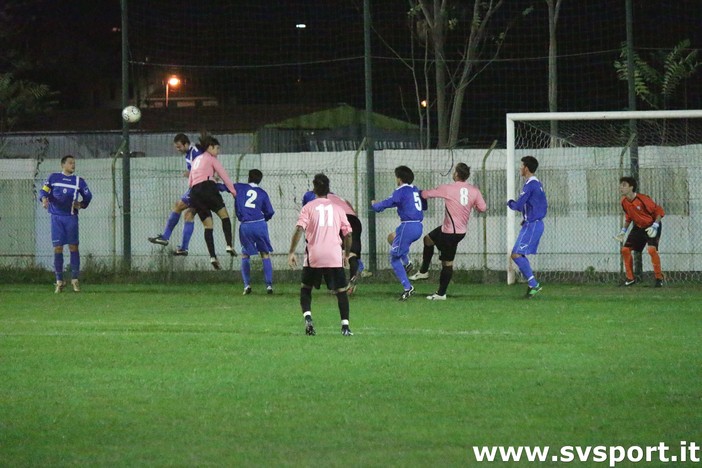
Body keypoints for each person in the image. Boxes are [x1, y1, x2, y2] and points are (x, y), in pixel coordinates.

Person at [409, 163, 487, 300]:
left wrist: (416, 192)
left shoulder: (448, 188)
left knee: (447, 263)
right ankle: (423, 271)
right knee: (428, 239)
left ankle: (441, 294)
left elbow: (426, 194)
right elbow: (483, 208)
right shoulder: (474, 191)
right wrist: (471, 204)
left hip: (450, 233)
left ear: (456, 174)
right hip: (456, 230)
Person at [288, 173, 353, 336]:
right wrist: (346, 254)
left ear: (314, 188)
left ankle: (308, 319)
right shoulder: (338, 208)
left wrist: (291, 252)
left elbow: (299, 229)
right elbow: (348, 234)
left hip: (314, 256)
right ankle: (345, 327)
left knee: (306, 289)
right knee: (341, 291)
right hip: (334, 255)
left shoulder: (308, 207)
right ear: (328, 189)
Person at [39, 155, 93, 293]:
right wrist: (44, 199)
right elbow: (43, 191)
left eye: (74, 163)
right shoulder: (53, 178)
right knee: (58, 248)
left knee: (73, 247)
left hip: (70, 217)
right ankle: (59, 281)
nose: (73, 165)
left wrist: (81, 204)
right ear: (63, 165)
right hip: (56, 218)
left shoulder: (78, 181)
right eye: (70, 163)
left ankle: (75, 280)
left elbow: (88, 196)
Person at [371, 165, 426, 301]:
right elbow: (423, 205)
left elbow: (388, 203)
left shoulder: (401, 190)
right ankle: (407, 263)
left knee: (394, 258)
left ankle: (408, 287)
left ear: (399, 179)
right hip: (418, 226)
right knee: (392, 238)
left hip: (408, 226)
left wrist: (375, 205)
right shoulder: (415, 189)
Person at [148, 133, 203, 256]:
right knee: (188, 215)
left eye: (179, 147)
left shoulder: (195, 152)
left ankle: (165, 237)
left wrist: (191, 173)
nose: (178, 150)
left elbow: (202, 167)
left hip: (200, 188)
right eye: (176, 147)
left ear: (186, 144)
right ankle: (184, 248)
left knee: (178, 206)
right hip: (199, 187)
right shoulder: (190, 153)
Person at [188, 135, 237, 269]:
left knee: (208, 226)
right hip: (208, 188)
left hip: (194, 193)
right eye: (217, 148)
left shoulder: (196, 159)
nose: (218, 151)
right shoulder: (211, 158)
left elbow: (191, 181)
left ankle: (212, 256)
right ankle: (229, 245)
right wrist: (233, 191)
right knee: (224, 216)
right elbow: (223, 175)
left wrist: (191, 200)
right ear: (210, 147)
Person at [302, 190, 365, 294]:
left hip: (338, 219)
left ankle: (334, 284)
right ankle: (351, 281)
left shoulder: (314, 198)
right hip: (354, 221)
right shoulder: (339, 198)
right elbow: (353, 211)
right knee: (351, 254)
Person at [507, 155, 547, 298]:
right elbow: (537, 204)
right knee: (517, 253)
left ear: (526, 168)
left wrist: (509, 202)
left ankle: (534, 284)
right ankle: (533, 285)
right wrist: (526, 217)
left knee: (516, 254)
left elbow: (518, 205)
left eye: (521, 165)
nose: (520, 167)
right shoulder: (536, 184)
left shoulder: (531, 184)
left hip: (533, 224)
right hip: (532, 223)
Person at [614, 176, 665, 287]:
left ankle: (659, 278)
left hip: (651, 225)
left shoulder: (643, 199)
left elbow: (659, 211)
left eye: (624, 185)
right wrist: (623, 231)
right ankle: (630, 278)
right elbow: (629, 216)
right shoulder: (623, 201)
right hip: (638, 227)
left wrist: (655, 226)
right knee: (625, 250)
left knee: (651, 250)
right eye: (620, 185)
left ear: (631, 187)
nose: (621, 187)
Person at [233, 169, 275, 295]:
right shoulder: (262, 193)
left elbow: (226, 187)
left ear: (248, 177)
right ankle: (269, 286)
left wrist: (215, 181)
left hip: (246, 225)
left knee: (245, 255)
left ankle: (247, 286)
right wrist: (264, 219)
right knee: (265, 254)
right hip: (260, 224)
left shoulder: (239, 187)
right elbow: (270, 212)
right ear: (260, 179)